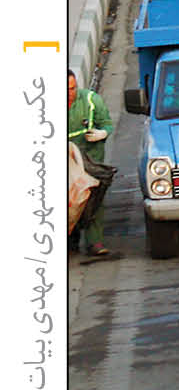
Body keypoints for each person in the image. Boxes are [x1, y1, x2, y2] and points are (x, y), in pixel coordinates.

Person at [67, 68, 114, 260]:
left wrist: (102, 133)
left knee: (94, 198)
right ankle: (71, 240)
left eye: (73, 88)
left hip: (91, 159)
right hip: (68, 162)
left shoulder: (91, 101)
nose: (70, 93)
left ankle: (95, 242)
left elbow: (107, 124)